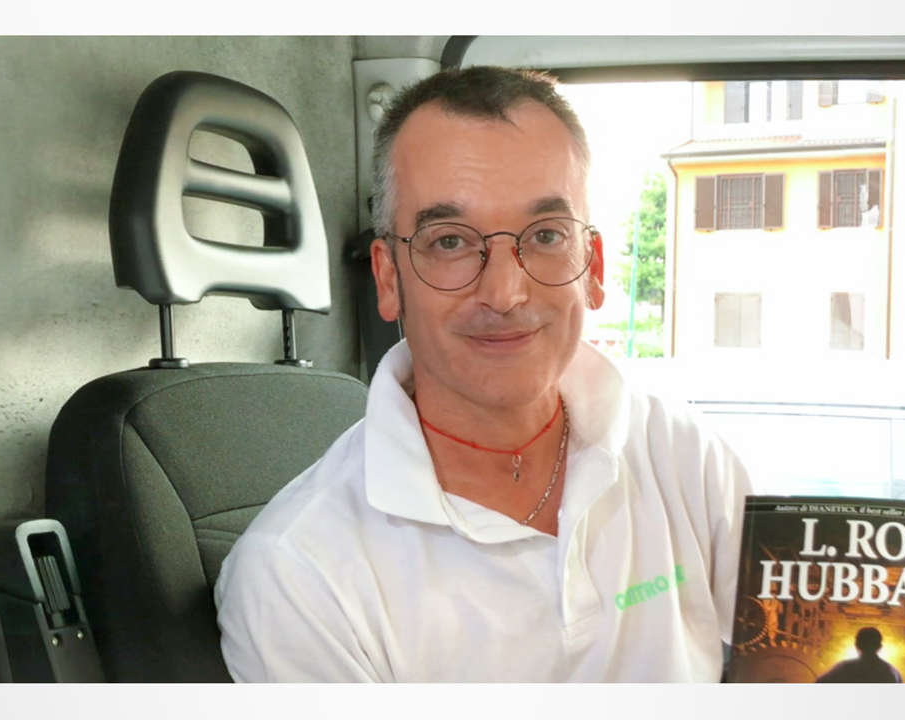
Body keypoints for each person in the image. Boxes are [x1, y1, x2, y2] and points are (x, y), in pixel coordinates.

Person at [212, 65, 752, 682]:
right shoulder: (298, 577)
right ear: (388, 278)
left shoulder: (687, 458)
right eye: (450, 241)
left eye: (545, 235)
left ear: (594, 266)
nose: (504, 292)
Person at [815, 627, 903, 683]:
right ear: (879, 647)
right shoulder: (892, 673)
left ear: (857, 645)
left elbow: (820, 683)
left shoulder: (844, 668)